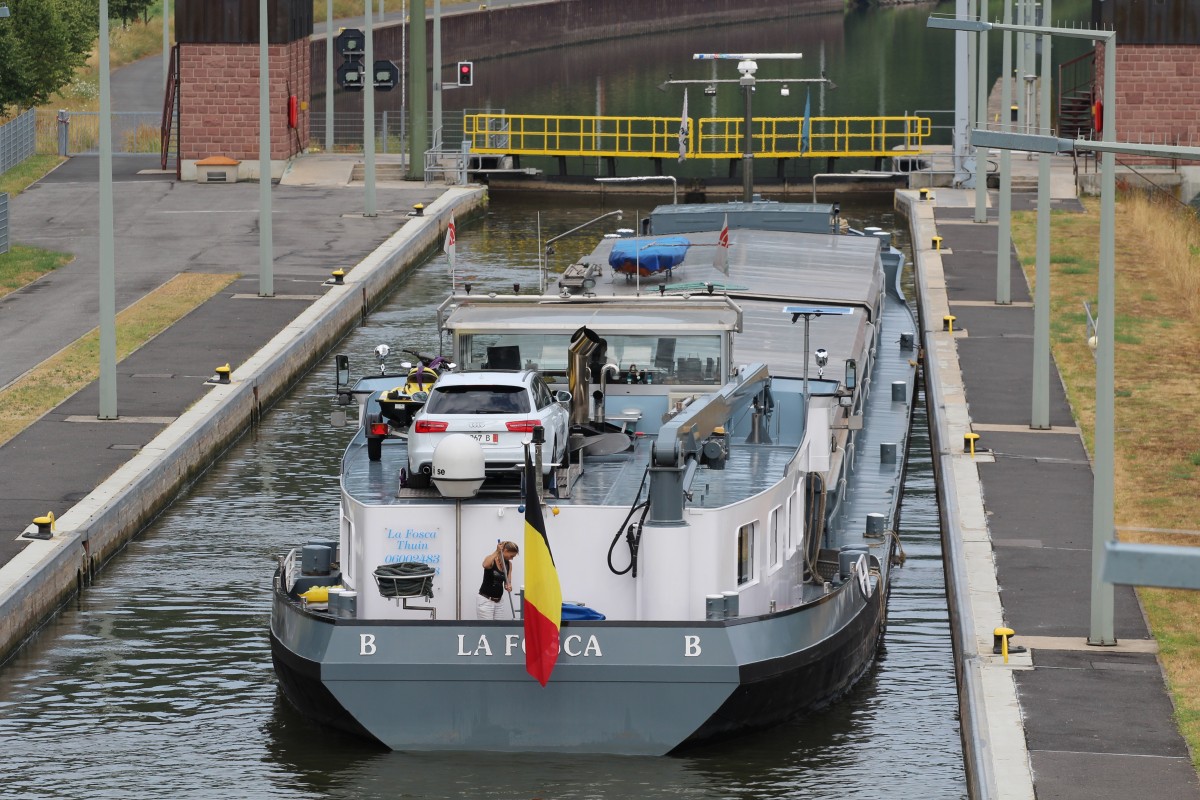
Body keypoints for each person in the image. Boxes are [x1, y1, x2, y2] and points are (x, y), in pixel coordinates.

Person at [478, 541, 519, 619]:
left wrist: (508, 586)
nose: (512, 558)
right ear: (505, 551)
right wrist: (497, 551)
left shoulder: (509, 565)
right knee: (487, 628)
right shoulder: (491, 559)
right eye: (511, 556)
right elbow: (485, 565)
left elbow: (508, 582)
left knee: (498, 628)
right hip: (486, 601)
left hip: (499, 602)